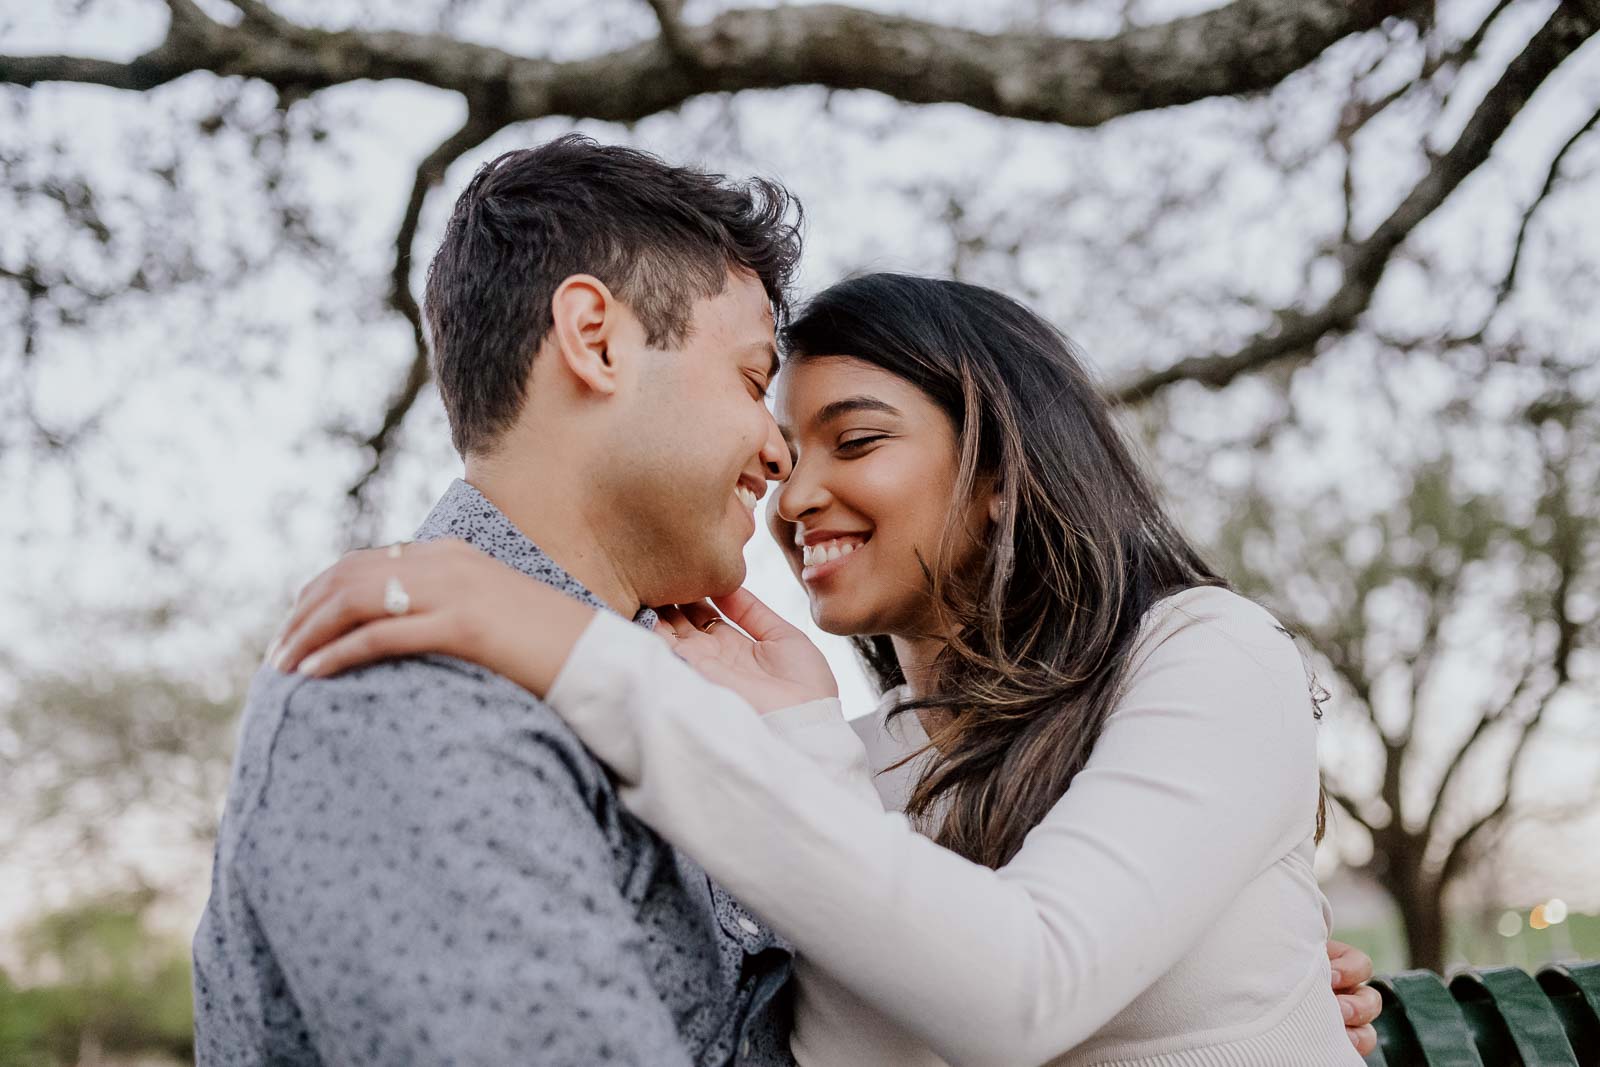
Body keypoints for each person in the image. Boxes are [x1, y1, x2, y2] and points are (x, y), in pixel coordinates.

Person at [272, 271, 1383, 1064]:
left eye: (854, 443)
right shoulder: (841, 757)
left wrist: (586, 656)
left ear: (1002, 466)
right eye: (788, 452)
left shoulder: (1206, 653)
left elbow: (1023, 987)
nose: (794, 496)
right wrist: (801, 734)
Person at [192, 135, 809, 1065]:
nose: (779, 450)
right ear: (595, 339)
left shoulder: (677, 698)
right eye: (753, 380)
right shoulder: (404, 695)